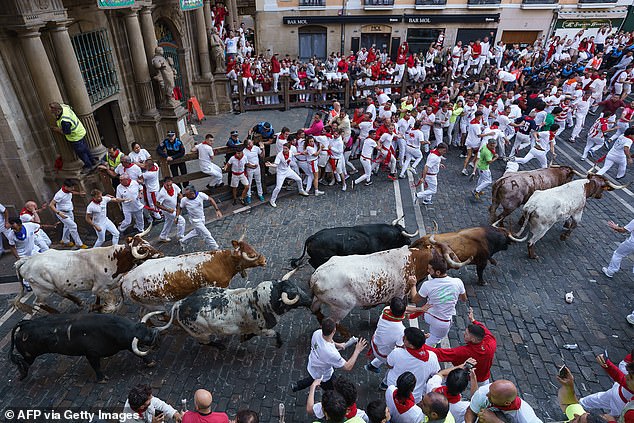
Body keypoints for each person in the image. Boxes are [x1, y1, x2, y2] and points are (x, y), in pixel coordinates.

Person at [291, 317, 368, 392]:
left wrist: (338, 345)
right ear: (334, 331)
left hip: (312, 364)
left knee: (312, 378)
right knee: (332, 389)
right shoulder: (332, 354)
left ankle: (297, 386)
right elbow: (348, 367)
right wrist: (357, 350)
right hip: (323, 374)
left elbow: (328, 340)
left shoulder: (317, 333)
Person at [407, 252, 467, 346]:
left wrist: (413, 285)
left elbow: (414, 299)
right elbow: (463, 299)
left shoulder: (427, 285)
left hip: (428, 314)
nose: (427, 270)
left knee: (430, 335)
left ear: (438, 272)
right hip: (442, 322)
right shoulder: (458, 282)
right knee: (433, 340)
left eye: (430, 269)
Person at [365, 297, 428, 385]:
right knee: (395, 365)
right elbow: (400, 347)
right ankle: (385, 384)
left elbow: (404, 310)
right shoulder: (400, 330)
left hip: (375, 343)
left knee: (388, 349)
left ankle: (372, 365)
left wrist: (420, 309)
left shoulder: (386, 310)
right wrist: (419, 337)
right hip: (382, 354)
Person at [429, 307, 497, 386]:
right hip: (483, 378)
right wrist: (473, 321)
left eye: (467, 334)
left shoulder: (464, 352)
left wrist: (419, 344)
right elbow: (483, 329)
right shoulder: (491, 341)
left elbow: (440, 353)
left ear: (474, 339)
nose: (464, 334)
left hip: (469, 376)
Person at [385, 326, 440, 400]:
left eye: (405, 338)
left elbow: (389, 365)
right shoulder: (432, 357)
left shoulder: (397, 352)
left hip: (394, 390)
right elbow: (436, 374)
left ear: (411, 345)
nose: (403, 338)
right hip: (415, 396)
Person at [464, 380, 542, 423]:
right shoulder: (484, 392)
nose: (487, 395)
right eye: (489, 390)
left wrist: (495, 421)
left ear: (507, 403)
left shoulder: (527, 418)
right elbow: (471, 411)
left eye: (492, 395)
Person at [49, 102, 95, 172]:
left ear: (57, 111)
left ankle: (89, 166)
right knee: (85, 148)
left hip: (76, 137)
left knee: (81, 152)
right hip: (80, 130)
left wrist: (57, 129)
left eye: (52, 112)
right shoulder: (64, 107)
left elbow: (67, 132)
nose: (52, 113)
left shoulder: (64, 121)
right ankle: (93, 161)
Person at [176, 186, 222, 251]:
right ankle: (216, 248)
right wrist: (177, 217)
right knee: (207, 234)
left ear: (192, 194)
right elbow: (179, 207)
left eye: (187, 195)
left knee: (197, 232)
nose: (185, 196)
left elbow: (211, 199)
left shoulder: (201, 195)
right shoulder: (184, 200)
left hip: (202, 218)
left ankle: (182, 240)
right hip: (194, 220)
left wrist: (217, 210)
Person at [265, 143, 309, 208]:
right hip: (281, 172)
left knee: (299, 179)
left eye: (286, 148)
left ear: (289, 149)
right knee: (278, 187)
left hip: (288, 170)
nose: (284, 150)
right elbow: (276, 164)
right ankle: (272, 200)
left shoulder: (290, 152)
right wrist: (271, 165)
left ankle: (301, 190)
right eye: (283, 148)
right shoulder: (279, 155)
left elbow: (294, 154)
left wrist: (301, 153)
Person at [49, 179, 88, 249]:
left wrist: (79, 193)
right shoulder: (59, 195)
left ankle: (65, 240)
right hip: (62, 213)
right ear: (66, 187)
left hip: (70, 211)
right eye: (71, 187)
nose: (73, 188)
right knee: (73, 226)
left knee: (67, 226)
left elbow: (71, 192)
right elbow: (51, 205)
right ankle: (79, 244)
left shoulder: (68, 191)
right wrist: (59, 213)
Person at [156, 177, 186, 243]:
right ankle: (180, 237)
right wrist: (167, 209)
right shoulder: (162, 193)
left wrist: (180, 196)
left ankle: (163, 236)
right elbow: (157, 204)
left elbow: (179, 193)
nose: (169, 187)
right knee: (181, 220)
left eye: (170, 185)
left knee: (168, 222)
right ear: (164, 184)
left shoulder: (174, 186)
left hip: (174, 208)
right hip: (167, 211)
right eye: (167, 185)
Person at [244, 138, 265, 202]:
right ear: (248, 145)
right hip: (249, 169)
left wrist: (263, 148)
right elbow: (245, 163)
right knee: (249, 183)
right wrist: (251, 166)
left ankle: (260, 194)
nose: (252, 143)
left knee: (258, 181)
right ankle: (248, 195)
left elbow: (262, 155)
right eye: (250, 142)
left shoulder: (256, 148)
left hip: (257, 167)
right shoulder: (244, 152)